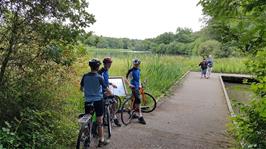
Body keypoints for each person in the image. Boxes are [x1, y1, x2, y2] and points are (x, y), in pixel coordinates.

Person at [80, 58, 111, 147]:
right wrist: (110, 93)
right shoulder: (99, 77)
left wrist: (88, 92)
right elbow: (107, 90)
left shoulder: (85, 76)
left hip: (88, 101)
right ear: (98, 67)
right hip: (98, 101)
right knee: (99, 120)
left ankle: (86, 138)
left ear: (90, 66)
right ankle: (101, 139)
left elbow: (81, 88)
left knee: (87, 119)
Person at [98, 57, 122, 127]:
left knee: (114, 101)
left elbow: (105, 81)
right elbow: (101, 83)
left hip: (106, 90)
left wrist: (111, 84)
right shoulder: (101, 72)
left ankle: (112, 116)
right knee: (114, 101)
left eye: (110, 64)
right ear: (105, 64)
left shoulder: (106, 71)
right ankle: (114, 118)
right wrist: (106, 90)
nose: (110, 65)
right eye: (108, 64)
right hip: (102, 92)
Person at [125, 58, 146, 125]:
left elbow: (139, 78)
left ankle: (131, 111)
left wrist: (140, 85)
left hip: (137, 86)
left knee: (133, 99)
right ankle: (140, 116)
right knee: (138, 100)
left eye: (138, 64)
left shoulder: (139, 70)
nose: (136, 65)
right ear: (133, 64)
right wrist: (129, 84)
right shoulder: (131, 70)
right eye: (135, 64)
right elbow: (126, 78)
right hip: (133, 87)